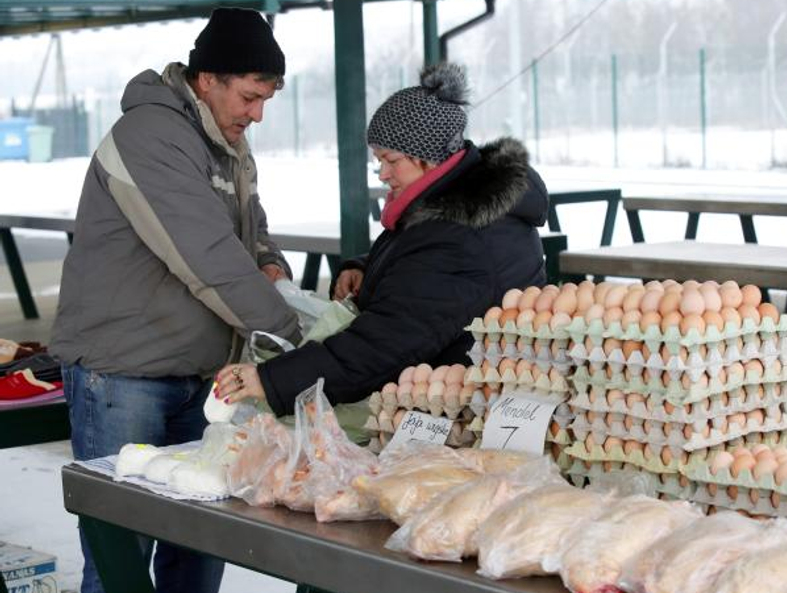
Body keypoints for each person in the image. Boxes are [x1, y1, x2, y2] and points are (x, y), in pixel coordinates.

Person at [50, 8, 299, 593]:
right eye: (249, 96)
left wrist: (272, 266)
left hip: (203, 375)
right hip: (125, 375)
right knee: (122, 556)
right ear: (206, 79)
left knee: (200, 544)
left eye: (266, 99)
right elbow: (207, 257)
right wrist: (296, 337)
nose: (257, 113)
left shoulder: (226, 141)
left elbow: (249, 228)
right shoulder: (150, 136)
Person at [215, 62, 549, 414]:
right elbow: (419, 265)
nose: (383, 174)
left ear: (430, 158)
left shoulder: (461, 235)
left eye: (390, 160)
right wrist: (366, 266)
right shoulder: (454, 204)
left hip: (463, 417)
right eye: (378, 160)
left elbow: (385, 343)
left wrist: (272, 380)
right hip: (449, 403)